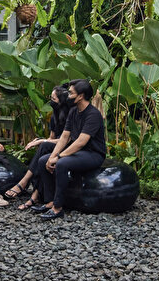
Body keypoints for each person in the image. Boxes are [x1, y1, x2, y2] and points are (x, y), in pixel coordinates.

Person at [33, 79, 106, 221]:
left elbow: (80, 142)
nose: (68, 96)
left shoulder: (93, 114)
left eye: (71, 93)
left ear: (80, 96)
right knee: (43, 161)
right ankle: (50, 202)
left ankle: (58, 208)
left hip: (93, 154)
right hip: (79, 153)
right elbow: (65, 137)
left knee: (62, 164)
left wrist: (58, 157)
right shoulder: (73, 112)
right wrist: (52, 157)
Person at [4, 84, 71, 210]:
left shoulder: (70, 116)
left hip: (68, 148)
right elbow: (52, 138)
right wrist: (42, 140)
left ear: (61, 101)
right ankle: (33, 195)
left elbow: (67, 140)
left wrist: (42, 141)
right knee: (44, 152)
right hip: (54, 147)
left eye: (53, 99)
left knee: (44, 145)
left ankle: (25, 184)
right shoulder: (54, 116)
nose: (51, 101)